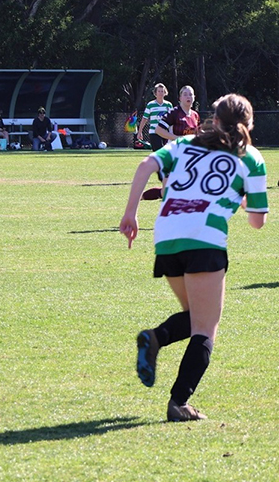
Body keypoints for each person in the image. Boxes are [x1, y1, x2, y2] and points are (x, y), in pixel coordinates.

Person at [119, 93, 268, 421]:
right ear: (249, 124)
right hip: (205, 238)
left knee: (195, 314)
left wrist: (130, 214)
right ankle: (178, 403)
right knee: (205, 327)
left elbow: (146, 164)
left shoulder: (185, 143)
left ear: (214, 120)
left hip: (167, 235)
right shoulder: (251, 157)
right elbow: (257, 221)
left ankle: (155, 339)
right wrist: (242, 201)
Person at [142, 85, 200, 200]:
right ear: (180, 98)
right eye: (185, 94)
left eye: (191, 94)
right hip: (174, 155)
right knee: (167, 192)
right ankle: (144, 196)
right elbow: (158, 130)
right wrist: (176, 138)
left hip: (189, 155)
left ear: (194, 97)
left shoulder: (195, 115)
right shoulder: (174, 113)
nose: (188, 97)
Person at [137, 83, 173, 150]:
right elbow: (145, 118)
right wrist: (140, 132)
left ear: (165, 92)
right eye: (159, 91)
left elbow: (172, 120)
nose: (160, 93)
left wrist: (172, 132)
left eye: (162, 91)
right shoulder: (150, 105)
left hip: (165, 132)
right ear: (155, 93)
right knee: (158, 153)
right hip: (154, 132)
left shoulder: (168, 105)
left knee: (166, 153)